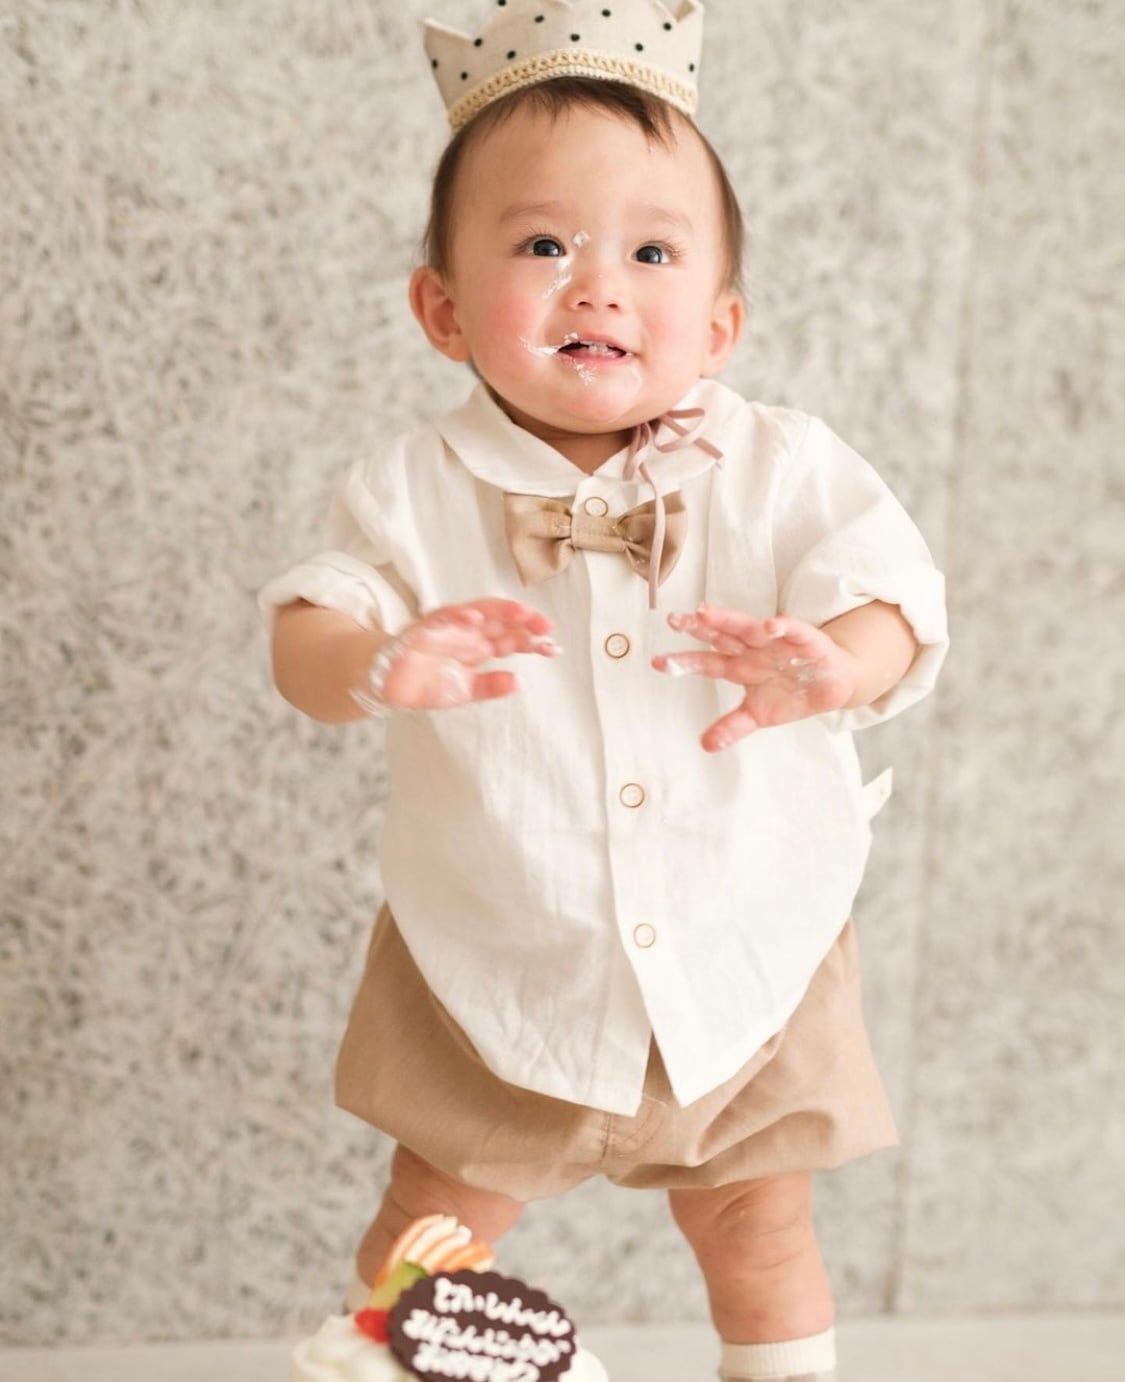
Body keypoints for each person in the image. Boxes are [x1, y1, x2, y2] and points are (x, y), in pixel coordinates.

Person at [260, 4, 949, 1379]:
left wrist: (841, 659)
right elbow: (306, 626)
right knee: (432, 1228)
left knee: (758, 1227)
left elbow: (894, 594)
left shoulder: (782, 467)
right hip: (501, 949)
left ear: (721, 320)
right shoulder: (409, 489)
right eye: (542, 246)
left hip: (743, 933)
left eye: (650, 252)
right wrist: (377, 662)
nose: (597, 287)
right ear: (442, 309)